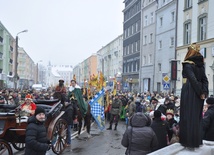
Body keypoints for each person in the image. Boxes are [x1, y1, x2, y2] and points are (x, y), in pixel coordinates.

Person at [179, 43, 209, 149]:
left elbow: (192, 80)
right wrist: (204, 92)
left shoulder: (188, 64)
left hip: (190, 92)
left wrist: (200, 92)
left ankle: (188, 142)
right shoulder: (201, 65)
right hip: (198, 94)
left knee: (188, 116)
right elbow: (205, 80)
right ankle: (196, 141)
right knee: (197, 117)